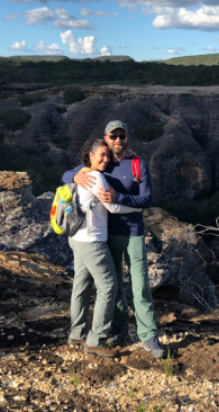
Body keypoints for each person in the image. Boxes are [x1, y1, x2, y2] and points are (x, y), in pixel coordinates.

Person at [63, 120, 167, 359]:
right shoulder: (102, 162)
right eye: (113, 136)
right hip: (106, 234)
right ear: (106, 138)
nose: (118, 140)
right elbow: (68, 174)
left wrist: (118, 196)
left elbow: (147, 200)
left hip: (132, 232)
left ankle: (148, 335)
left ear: (127, 138)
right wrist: (74, 177)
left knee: (140, 285)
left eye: (122, 136)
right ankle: (119, 327)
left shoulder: (138, 164)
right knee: (115, 285)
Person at [68, 139, 142, 358]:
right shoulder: (97, 176)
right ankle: (96, 340)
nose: (105, 159)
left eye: (107, 156)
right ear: (90, 156)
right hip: (92, 240)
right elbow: (113, 206)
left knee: (81, 284)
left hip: (77, 238)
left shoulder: (82, 173)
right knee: (108, 286)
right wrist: (139, 205)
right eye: (100, 155)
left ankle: (78, 332)